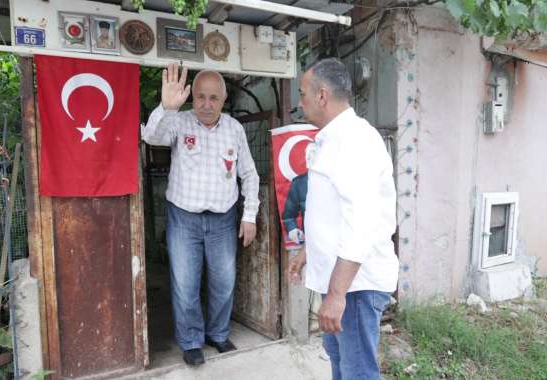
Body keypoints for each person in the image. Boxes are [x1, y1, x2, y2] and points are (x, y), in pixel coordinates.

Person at [287, 58, 399, 380]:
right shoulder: (332, 138)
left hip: (356, 288)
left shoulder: (354, 140)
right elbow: (334, 209)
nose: (300, 102)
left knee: (357, 373)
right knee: (341, 365)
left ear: (322, 95)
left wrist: (336, 296)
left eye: (303, 93)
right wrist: (309, 251)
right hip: (341, 282)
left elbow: (360, 225)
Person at [142, 63, 259, 366]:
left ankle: (218, 334)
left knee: (224, 281)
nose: (207, 105)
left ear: (223, 100)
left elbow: (249, 174)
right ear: (192, 97)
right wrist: (166, 108)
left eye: (214, 98)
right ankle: (191, 340)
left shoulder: (234, 128)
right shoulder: (179, 122)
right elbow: (152, 138)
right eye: (201, 97)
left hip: (222, 220)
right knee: (185, 282)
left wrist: (249, 215)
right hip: (184, 218)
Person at [282, 172, 308, 245]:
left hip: (340, 245)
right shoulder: (300, 183)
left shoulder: (341, 180)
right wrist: (293, 229)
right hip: (310, 244)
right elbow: (289, 216)